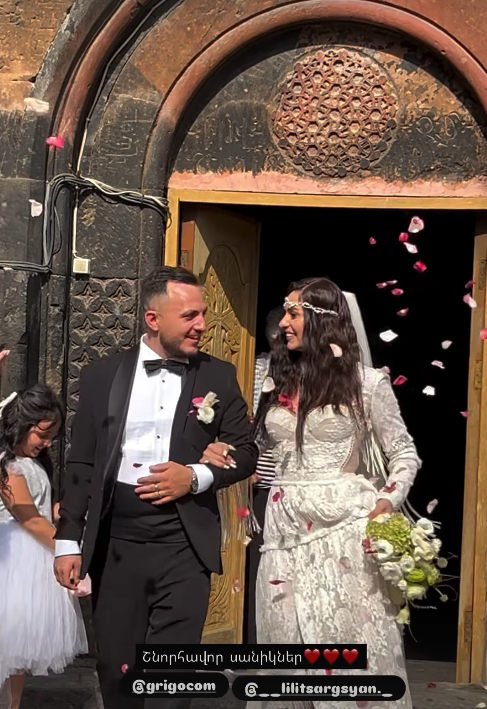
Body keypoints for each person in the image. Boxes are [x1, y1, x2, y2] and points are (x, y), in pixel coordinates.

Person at [204, 277, 419, 709]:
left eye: (293, 313)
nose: (283, 323)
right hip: (283, 533)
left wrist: (385, 503)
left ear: (322, 321)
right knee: (285, 644)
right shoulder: (276, 381)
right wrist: (224, 453)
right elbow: (257, 449)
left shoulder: (367, 384)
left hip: (343, 531)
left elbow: (404, 453)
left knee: (342, 645)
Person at [53, 266, 258, 709]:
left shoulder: (219, 376)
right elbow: (82, 461)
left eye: (203, 314)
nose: (201, 325)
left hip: (185, 545)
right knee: (117, 671)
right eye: (189, 316)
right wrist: (67, 540)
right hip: (117, 544)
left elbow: (245, 451)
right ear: (153, 319)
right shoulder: (101, 375)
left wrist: (196, 476)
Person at [0, 385, 88, 709]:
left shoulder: (34, 463)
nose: (47, 443)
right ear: (20, 425)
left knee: (17, 652)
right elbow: (30, 520)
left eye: (52, 436)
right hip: (12, 560)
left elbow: (42, 511)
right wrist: (67, 548)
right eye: (42, 434)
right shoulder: (8, 466)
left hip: (33, 561)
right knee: (7, 642)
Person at [244, 306, 283, 644]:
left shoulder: (314, 372)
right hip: (258, 480)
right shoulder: (255, 369)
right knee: (257, 561)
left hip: (296, 483)